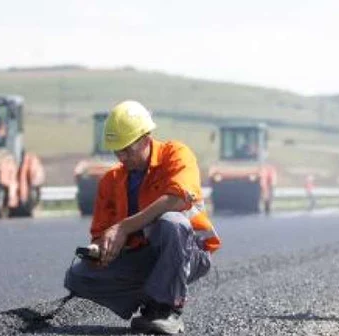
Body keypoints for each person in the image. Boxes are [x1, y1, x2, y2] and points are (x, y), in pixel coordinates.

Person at [64, 100, 221, 334]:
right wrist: (101, 250)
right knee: (78, 276)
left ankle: (167, 311)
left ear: (146, 138)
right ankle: (154, 294)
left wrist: (125, 227)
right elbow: (101, 233)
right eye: (117, 151)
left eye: (127, 149)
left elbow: (179, 199)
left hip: (189, 253)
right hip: (144, 256)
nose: (122, 157)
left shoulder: (176, 155)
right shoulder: (111, 180)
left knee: (172, 223)